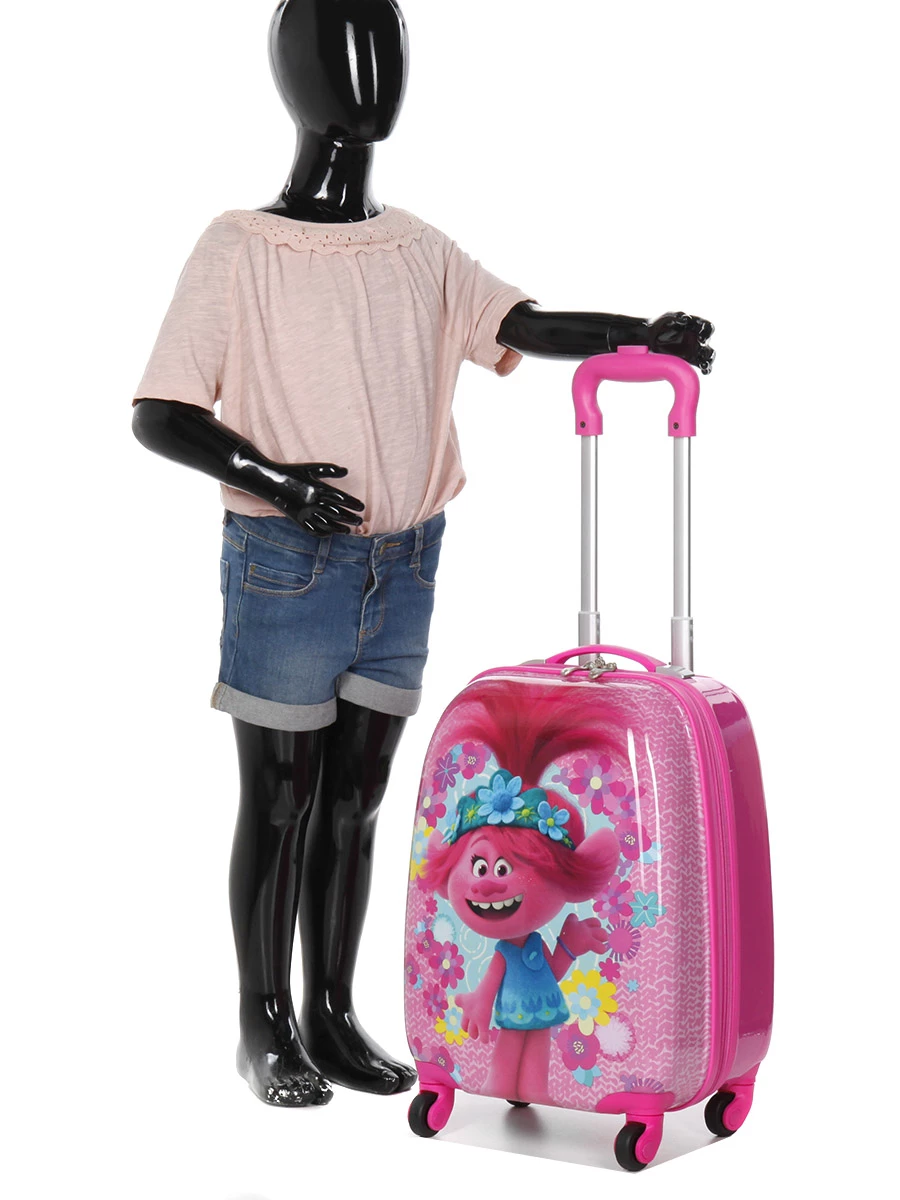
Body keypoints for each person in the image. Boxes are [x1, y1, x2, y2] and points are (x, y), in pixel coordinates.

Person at [131, 0, 715, 1108]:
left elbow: (523, 325)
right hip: (288, 564)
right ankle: (262, 1024)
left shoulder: (418, 248)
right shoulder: (240, 247)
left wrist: (636, 333)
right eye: (345, 46)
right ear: (290, 72)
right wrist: (278, 481)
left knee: (357, 800)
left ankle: (332, 1013)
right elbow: (161, 412)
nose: (373, 72)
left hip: (404, 563)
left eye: (388, 45)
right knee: (279, 799)